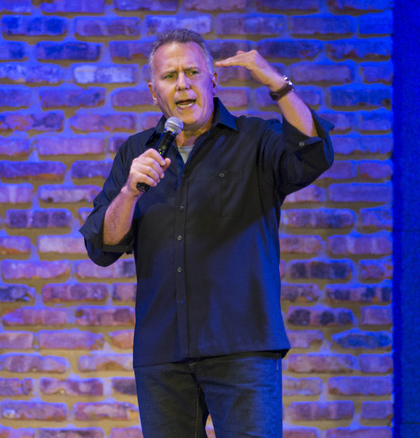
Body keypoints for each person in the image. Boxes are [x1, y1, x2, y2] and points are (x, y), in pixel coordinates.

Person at [80, 28, 334, 437]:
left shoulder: (255, 139)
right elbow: (102, 245)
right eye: (169, 76)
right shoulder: (137, 152)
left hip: (242, 348)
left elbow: (313, 150)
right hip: (162, 354)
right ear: (153, 91)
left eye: (192, 72)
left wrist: (275, 82)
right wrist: (128, 193)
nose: (182, 84)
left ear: (212, 80)